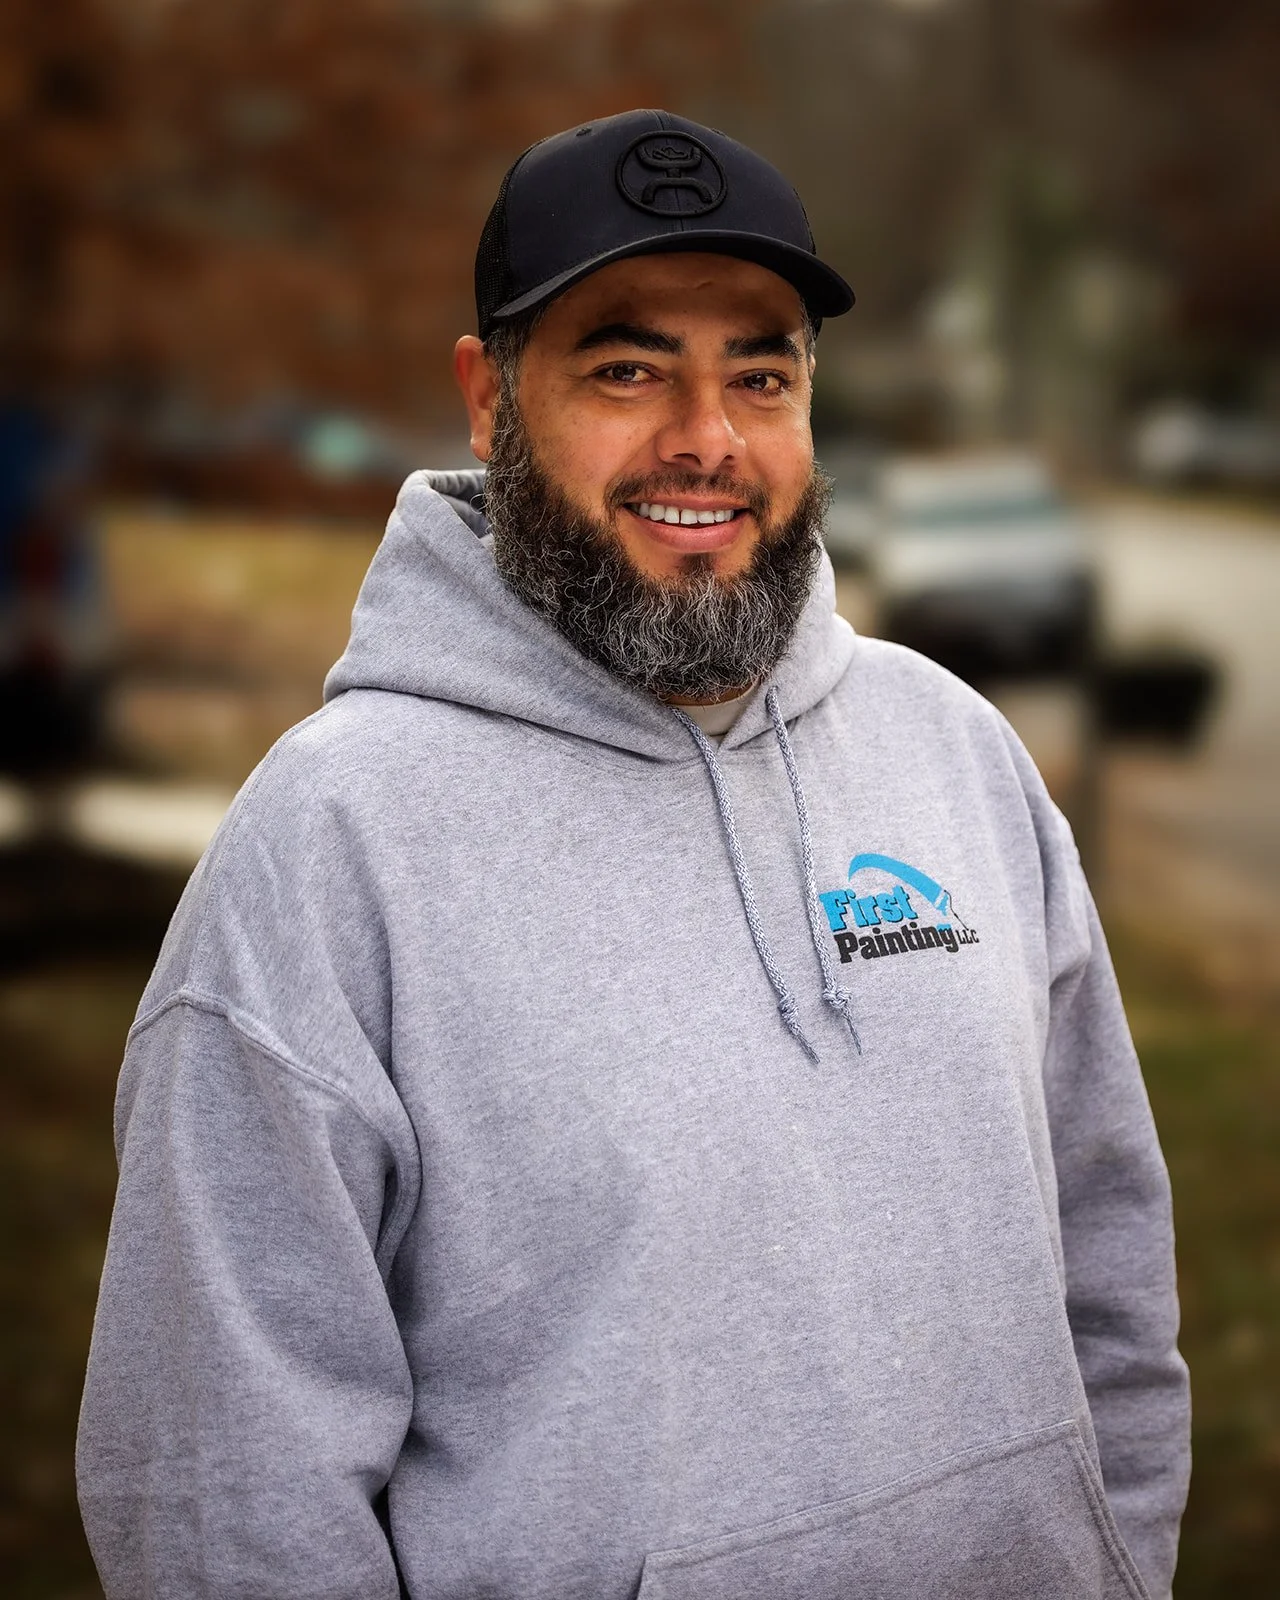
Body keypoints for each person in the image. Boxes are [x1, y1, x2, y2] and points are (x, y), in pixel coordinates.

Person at [77, 109, 1189, 1600]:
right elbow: (226, 1483)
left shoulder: (955, 754)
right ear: (489, 401)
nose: (706, 438)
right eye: (627, 368)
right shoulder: (332, 847)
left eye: (760, 374)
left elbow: (1110, 1266)